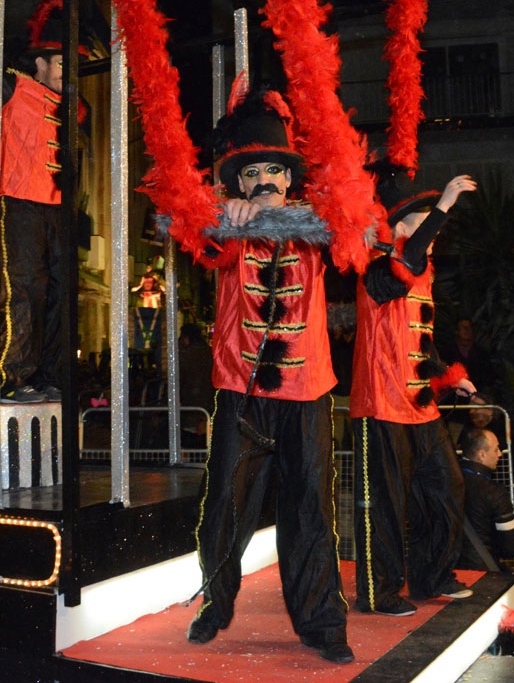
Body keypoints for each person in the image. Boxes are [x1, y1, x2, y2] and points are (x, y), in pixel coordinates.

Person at [186, 89, 354, 664]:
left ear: (289, 177)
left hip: (309, 393)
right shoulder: (226, 221)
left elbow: (355, 232)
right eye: (252, 172)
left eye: (274, 170)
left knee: (311, 508)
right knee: (226, 504)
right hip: (242, 388)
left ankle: (323, 625)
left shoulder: (316, 223)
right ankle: (217, 602)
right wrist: (223, 214)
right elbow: (197, 235)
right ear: (238, 181)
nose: (263, 180)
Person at [0, 0, 108, 404]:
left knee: (58, 293)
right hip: (19, 204)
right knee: (25, 288)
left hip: (59, 211)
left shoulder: (75, 109)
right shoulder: (15, 89)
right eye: (63, 62)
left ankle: (50, 374)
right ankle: (15, 376)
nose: (69, 70)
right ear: (39, 62)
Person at [351, 167, 479, 617]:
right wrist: (443, 204)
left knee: (446, 487)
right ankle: (378, 592)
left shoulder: (421, 277)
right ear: (402, 228)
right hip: (381, 407)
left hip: (420, 408)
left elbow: (417, 340)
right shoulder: (377, 271)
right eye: (425, 222)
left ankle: (433, 576)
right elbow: (412, 256)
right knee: (385, 505)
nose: (434, 232)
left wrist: (449, 375)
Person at [456, 427, 514, 571]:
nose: (500, 454)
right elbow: (511, 546)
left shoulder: (444, 484)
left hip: (446, 572)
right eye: (496, 449)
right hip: (482, 570)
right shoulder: (495, 492)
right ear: (481, 455)